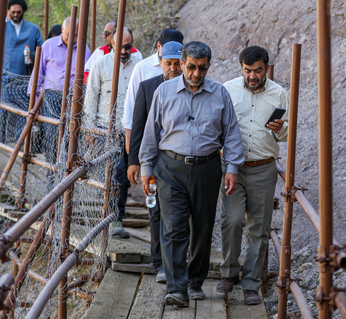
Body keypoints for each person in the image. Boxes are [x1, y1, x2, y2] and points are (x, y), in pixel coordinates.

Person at [139, 41, 244, 307]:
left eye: (202, 68)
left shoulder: (220, 94)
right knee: (173, 228)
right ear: (182, 63)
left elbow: (231, 134)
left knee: (202, 227)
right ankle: (176, 288)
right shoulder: (163, 92)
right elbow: (151, 134)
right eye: (191, 67)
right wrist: (146, 168)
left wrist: (231, 168)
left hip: (208, 169)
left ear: (209, 66)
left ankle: (195, 281)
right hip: (169, 168)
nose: (196, 73)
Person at [218, 46, 289, 305]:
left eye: (258, 71)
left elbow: (287, 134)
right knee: (232, 220)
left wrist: (280, 129)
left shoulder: (279, 93)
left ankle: (251, 284)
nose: (252, 76)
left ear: (266, 68)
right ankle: (228, 274)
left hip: (264, 167)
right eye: (248, 71)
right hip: (232, 168)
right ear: (241, 69)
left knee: (258, 228)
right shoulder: (227, 89)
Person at [127, 41, 183, 283]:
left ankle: (179, 263)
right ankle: (159, 263)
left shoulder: (190, 88)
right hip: (155, 161)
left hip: (181, 162)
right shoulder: (148, 87)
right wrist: (134, 162)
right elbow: (137, 126)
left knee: (181, 213)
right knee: (157, 211)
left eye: (176, 64)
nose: (172, 68)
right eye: (167, 63)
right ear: (160, 63)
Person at [83, 27, 141, 238]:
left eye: (128, 46)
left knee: (126, 176)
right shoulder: (101, 65)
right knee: (116, 174)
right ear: (112, 44)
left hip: (132, 131)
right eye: (120, 46)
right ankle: (114, 218)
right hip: (109, 131)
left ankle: (115, 215)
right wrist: (90, 130)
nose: (124, 51)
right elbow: (91, 98)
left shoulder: (138, 65)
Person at [32, 16, 91, 155]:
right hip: (52, 96)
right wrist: (34, 100)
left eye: (75, 35)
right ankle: (52, 167)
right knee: (53, 131)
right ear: (62, 30)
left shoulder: (83, 47)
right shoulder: (48, 45)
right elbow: (37, 72)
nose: (71, 38)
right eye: (68, 34)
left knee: (72, 132)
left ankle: (67, 165)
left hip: (75, 96)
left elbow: (88, 71)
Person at [122, 28, 184, 151]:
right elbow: (131, 103)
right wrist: (129, 138)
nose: (172, 67)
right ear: (159, 46)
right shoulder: (143, 67)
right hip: (148, 135)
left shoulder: (182, 67)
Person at [0, 0, 44, 143]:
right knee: (2, 111)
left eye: (19, 12)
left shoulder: (33, 29)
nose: (16, 14)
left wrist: (32, 56)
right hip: (5, 78)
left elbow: (41, 52)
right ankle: (0, 141)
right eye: (13, 12)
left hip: (25, 79)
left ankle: (20, 143)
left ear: (24, 11)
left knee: (23, 112)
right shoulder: (1, 28)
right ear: (8, 12)